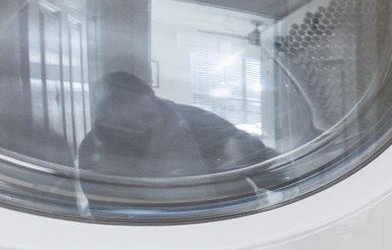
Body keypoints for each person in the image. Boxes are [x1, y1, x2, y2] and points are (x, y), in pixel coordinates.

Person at [80, 70, 275, 207]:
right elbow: (106, 211)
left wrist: (287, 183)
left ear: (155, 103)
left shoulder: (195, 121)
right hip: (149, 233)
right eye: (127, 126)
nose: (143, 128)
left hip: (222, 217)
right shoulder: (94, 150)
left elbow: (257, 155)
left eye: (148, 117)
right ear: (106, 122)